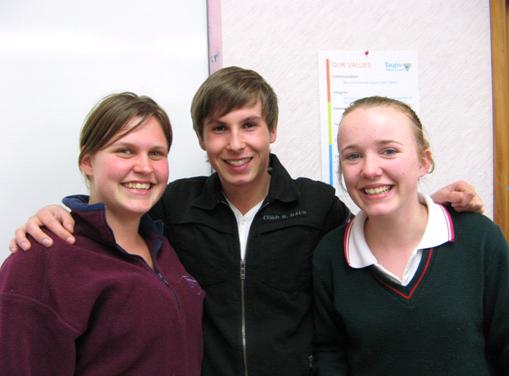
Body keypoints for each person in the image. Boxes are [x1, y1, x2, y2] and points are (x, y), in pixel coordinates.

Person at [9, 68, 483, 376]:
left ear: (272, 130)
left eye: (249, 125)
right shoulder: (172, 209)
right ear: (202, 139)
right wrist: (57, 213)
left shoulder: (317, 207)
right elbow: (110, 218)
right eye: (219, 128)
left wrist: (427, 205)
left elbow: (375, 237)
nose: (236, 143)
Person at [0, 92, 204, 375]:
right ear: (87, 162)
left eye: (156, 153)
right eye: (125, 150)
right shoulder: (43, 258)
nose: (144, 167)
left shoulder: (165, 248)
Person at [312, 96, 509, 375]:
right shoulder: (330, 255)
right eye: (353, 155)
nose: (369, 170)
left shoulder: (479, 238)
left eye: (389, 151)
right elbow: (330, 354)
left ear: (423, 162)